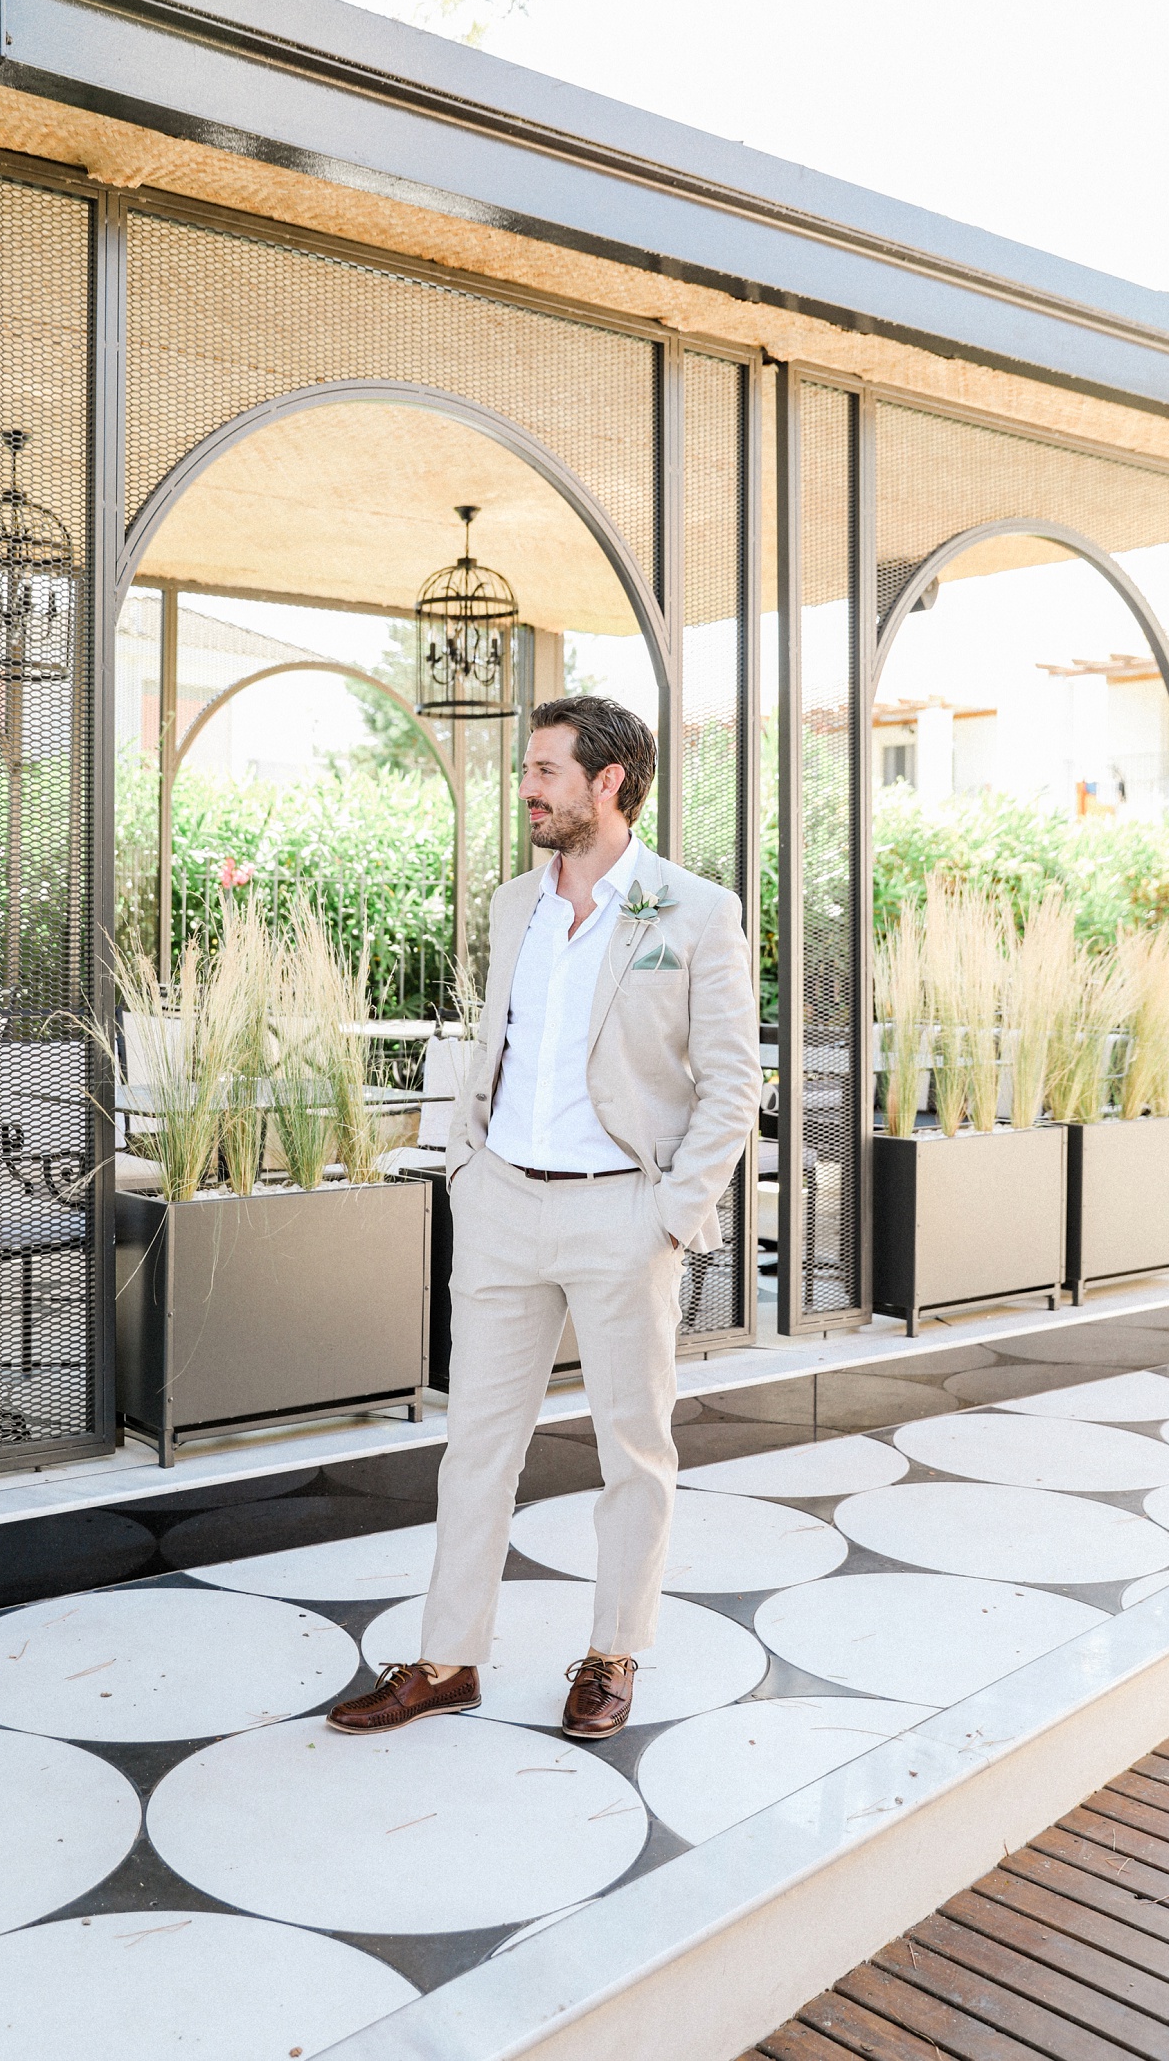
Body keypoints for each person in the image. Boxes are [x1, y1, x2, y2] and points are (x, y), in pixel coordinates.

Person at [329, 695, 762, 1740]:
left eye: (544, 772)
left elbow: (733, 1085)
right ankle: (446, 1659)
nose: (526, 789)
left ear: (608, 783)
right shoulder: (514, 902)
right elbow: (500, 1046)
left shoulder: (692, 911)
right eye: (527, 771)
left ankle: (612, 1656)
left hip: (621, 1215)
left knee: (631, 1450)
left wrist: (668, 1216)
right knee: (475, 1444)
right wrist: (467, 1168)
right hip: (501, 1207)